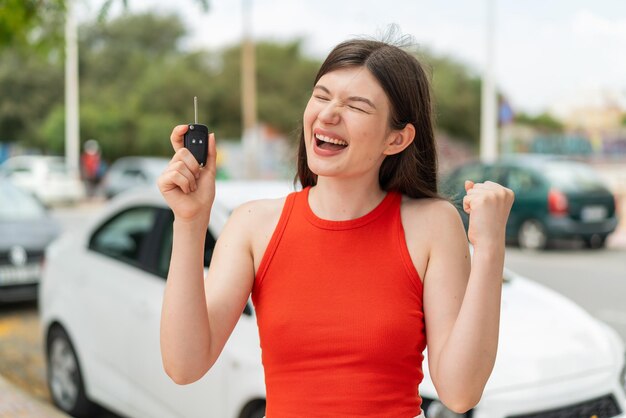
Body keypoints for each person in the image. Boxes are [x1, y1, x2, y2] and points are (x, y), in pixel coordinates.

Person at [158, 37, 514, 417]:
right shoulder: (252, 225)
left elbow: (461, 392)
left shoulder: (432, 224)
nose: (328, 114)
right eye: (322, 96)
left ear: (397, 139)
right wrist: (190, 221)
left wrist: (490, 248)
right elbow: (184, 365)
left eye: (356, 106)